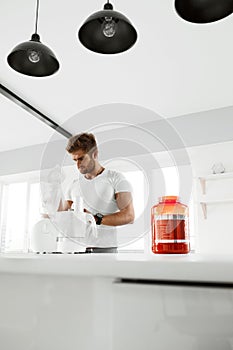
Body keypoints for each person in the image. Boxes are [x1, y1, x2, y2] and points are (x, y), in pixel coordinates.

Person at [60, 132, 135, 253]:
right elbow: (61, 215)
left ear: (94, 154)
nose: (78, 165)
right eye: (74, 160)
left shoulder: (116, 178)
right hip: (77, 249)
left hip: (105, 248)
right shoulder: (73, 184)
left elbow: (129, 216)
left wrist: (95, 219)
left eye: (81, 158)